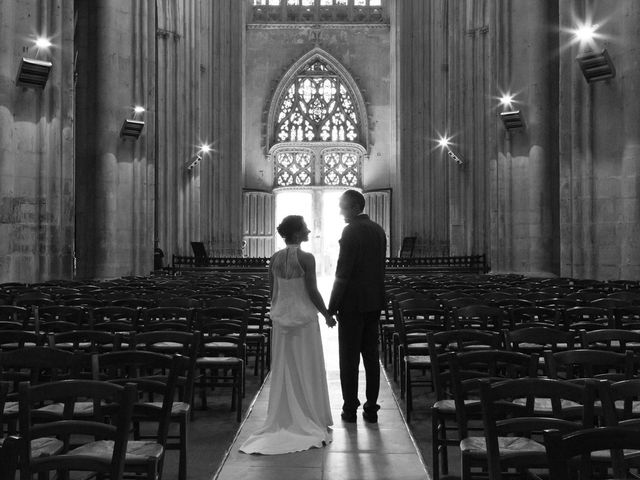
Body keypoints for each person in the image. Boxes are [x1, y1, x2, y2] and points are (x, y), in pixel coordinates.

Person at [239, 215, 336, 455]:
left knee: (285, 367)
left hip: (282, 319)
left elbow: (273, 292)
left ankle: (285, 416)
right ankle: (310, 415)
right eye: (305, 228)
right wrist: (326, 314)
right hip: (303, 320)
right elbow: (312, 290)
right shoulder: (306, 258)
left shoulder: (274, 258)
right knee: (307, 365)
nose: (309, 230)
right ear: (295, 233)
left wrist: (279, 312)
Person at [328, 190, 386, 423]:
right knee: (372, 358)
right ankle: (371, 408)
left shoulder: (351, 230)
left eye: (342, 207)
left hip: (352, 305)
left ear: (353, 207)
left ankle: (350, 407)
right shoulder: (378, 230)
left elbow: (343, 271)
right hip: (374, 302)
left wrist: (332, 307)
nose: (341, 211)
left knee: (349, 359)